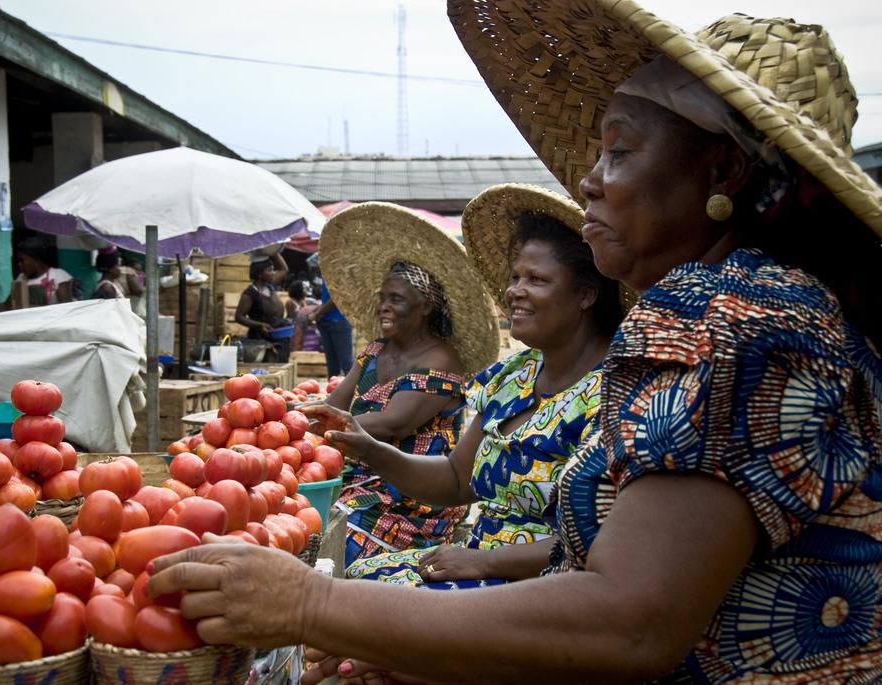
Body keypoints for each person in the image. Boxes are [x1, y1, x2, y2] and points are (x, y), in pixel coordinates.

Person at [145, 4, 882, 683]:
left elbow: (634, 622)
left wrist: (311, 603)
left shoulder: (740, 320)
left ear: (723, 171)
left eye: (619, 151)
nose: (590, 180)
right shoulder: (745, 309)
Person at [342, 186, 623, 588]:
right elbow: (457, 479)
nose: (514, 292)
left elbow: (600, 541)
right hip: (477, 557)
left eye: (536, 279)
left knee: (367, 612)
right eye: (514, 277)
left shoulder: (613, 393)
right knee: (358, 577)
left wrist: (483, 563)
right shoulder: (513, 378)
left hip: (545, 585)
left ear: (586, 295)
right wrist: (369, 448)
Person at [312, 202, 501, 568]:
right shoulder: (375, 351)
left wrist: (319, 426)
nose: (384, 306)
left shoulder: (442, 361)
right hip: (355, 476)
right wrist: (296, 421)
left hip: (410, 494)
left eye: (396, 299)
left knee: (328, 529)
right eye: (382, 298)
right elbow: (335, 401)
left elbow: (393, 423)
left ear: (426, 306)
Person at [235, 252, 289, 361]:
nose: (273, 273)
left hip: (278, 338)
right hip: (260, 342)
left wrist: (273, 251)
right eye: (269, 270)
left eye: (273, 269)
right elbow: (239, 317)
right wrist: (259, 325)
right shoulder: (250, 294)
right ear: (259, 274)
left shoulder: (270, 286)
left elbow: (284, 269)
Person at [309, 279, 354, 377]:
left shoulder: (337, 271)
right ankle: (333, 390)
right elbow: (328, 298)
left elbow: (336, 298)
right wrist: (318, 311)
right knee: (333, 367)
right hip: (327, 321)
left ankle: (354, 391)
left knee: (346, 364)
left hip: (339, 321)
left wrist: (317, 313)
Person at [13, 236, 74, 306]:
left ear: (36, 260)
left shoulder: (58, 275)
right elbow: (9, 305)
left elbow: (65, 307)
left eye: (22, 260)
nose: (19, 264)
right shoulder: (21, 278)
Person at [287, 281, 321, 352]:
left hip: (305, 325)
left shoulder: (304, 301)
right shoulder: (290, 302)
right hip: (296, 325)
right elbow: (292, 316)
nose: (305, 291)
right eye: (303, 289)